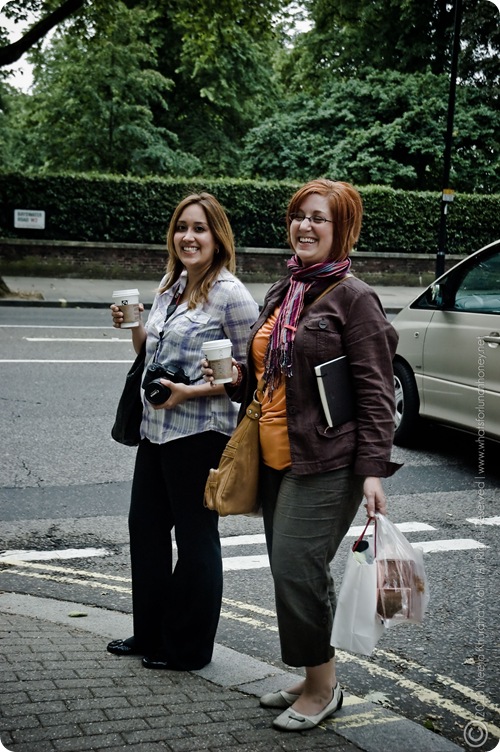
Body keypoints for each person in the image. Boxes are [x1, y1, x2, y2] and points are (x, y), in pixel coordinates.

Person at [204, 179, 400, 730]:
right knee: (293, 570)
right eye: (298, 216)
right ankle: (317, 674)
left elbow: (377, 392)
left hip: (327, 460)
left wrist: (373, 471)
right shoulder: (286, 288)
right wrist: (236, 377)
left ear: (343, 230)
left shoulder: (354, 298)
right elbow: (269, 375)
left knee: (296, 567)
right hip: (274, 456)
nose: (304, 226)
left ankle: (323, 689)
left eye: (319, 218)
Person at [107, 192, 259, 671]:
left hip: (200, 434)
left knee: (196, 540)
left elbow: (247, 377)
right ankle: (150, 632)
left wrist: (188, 392)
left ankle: (188, 650)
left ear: (218, 237)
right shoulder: (170, 285)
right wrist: (133, 327)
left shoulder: (231, 295)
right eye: (181, 227)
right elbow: (149, 352)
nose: (188, 237)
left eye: (199, 229)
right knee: (146, 530)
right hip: (156, 429)